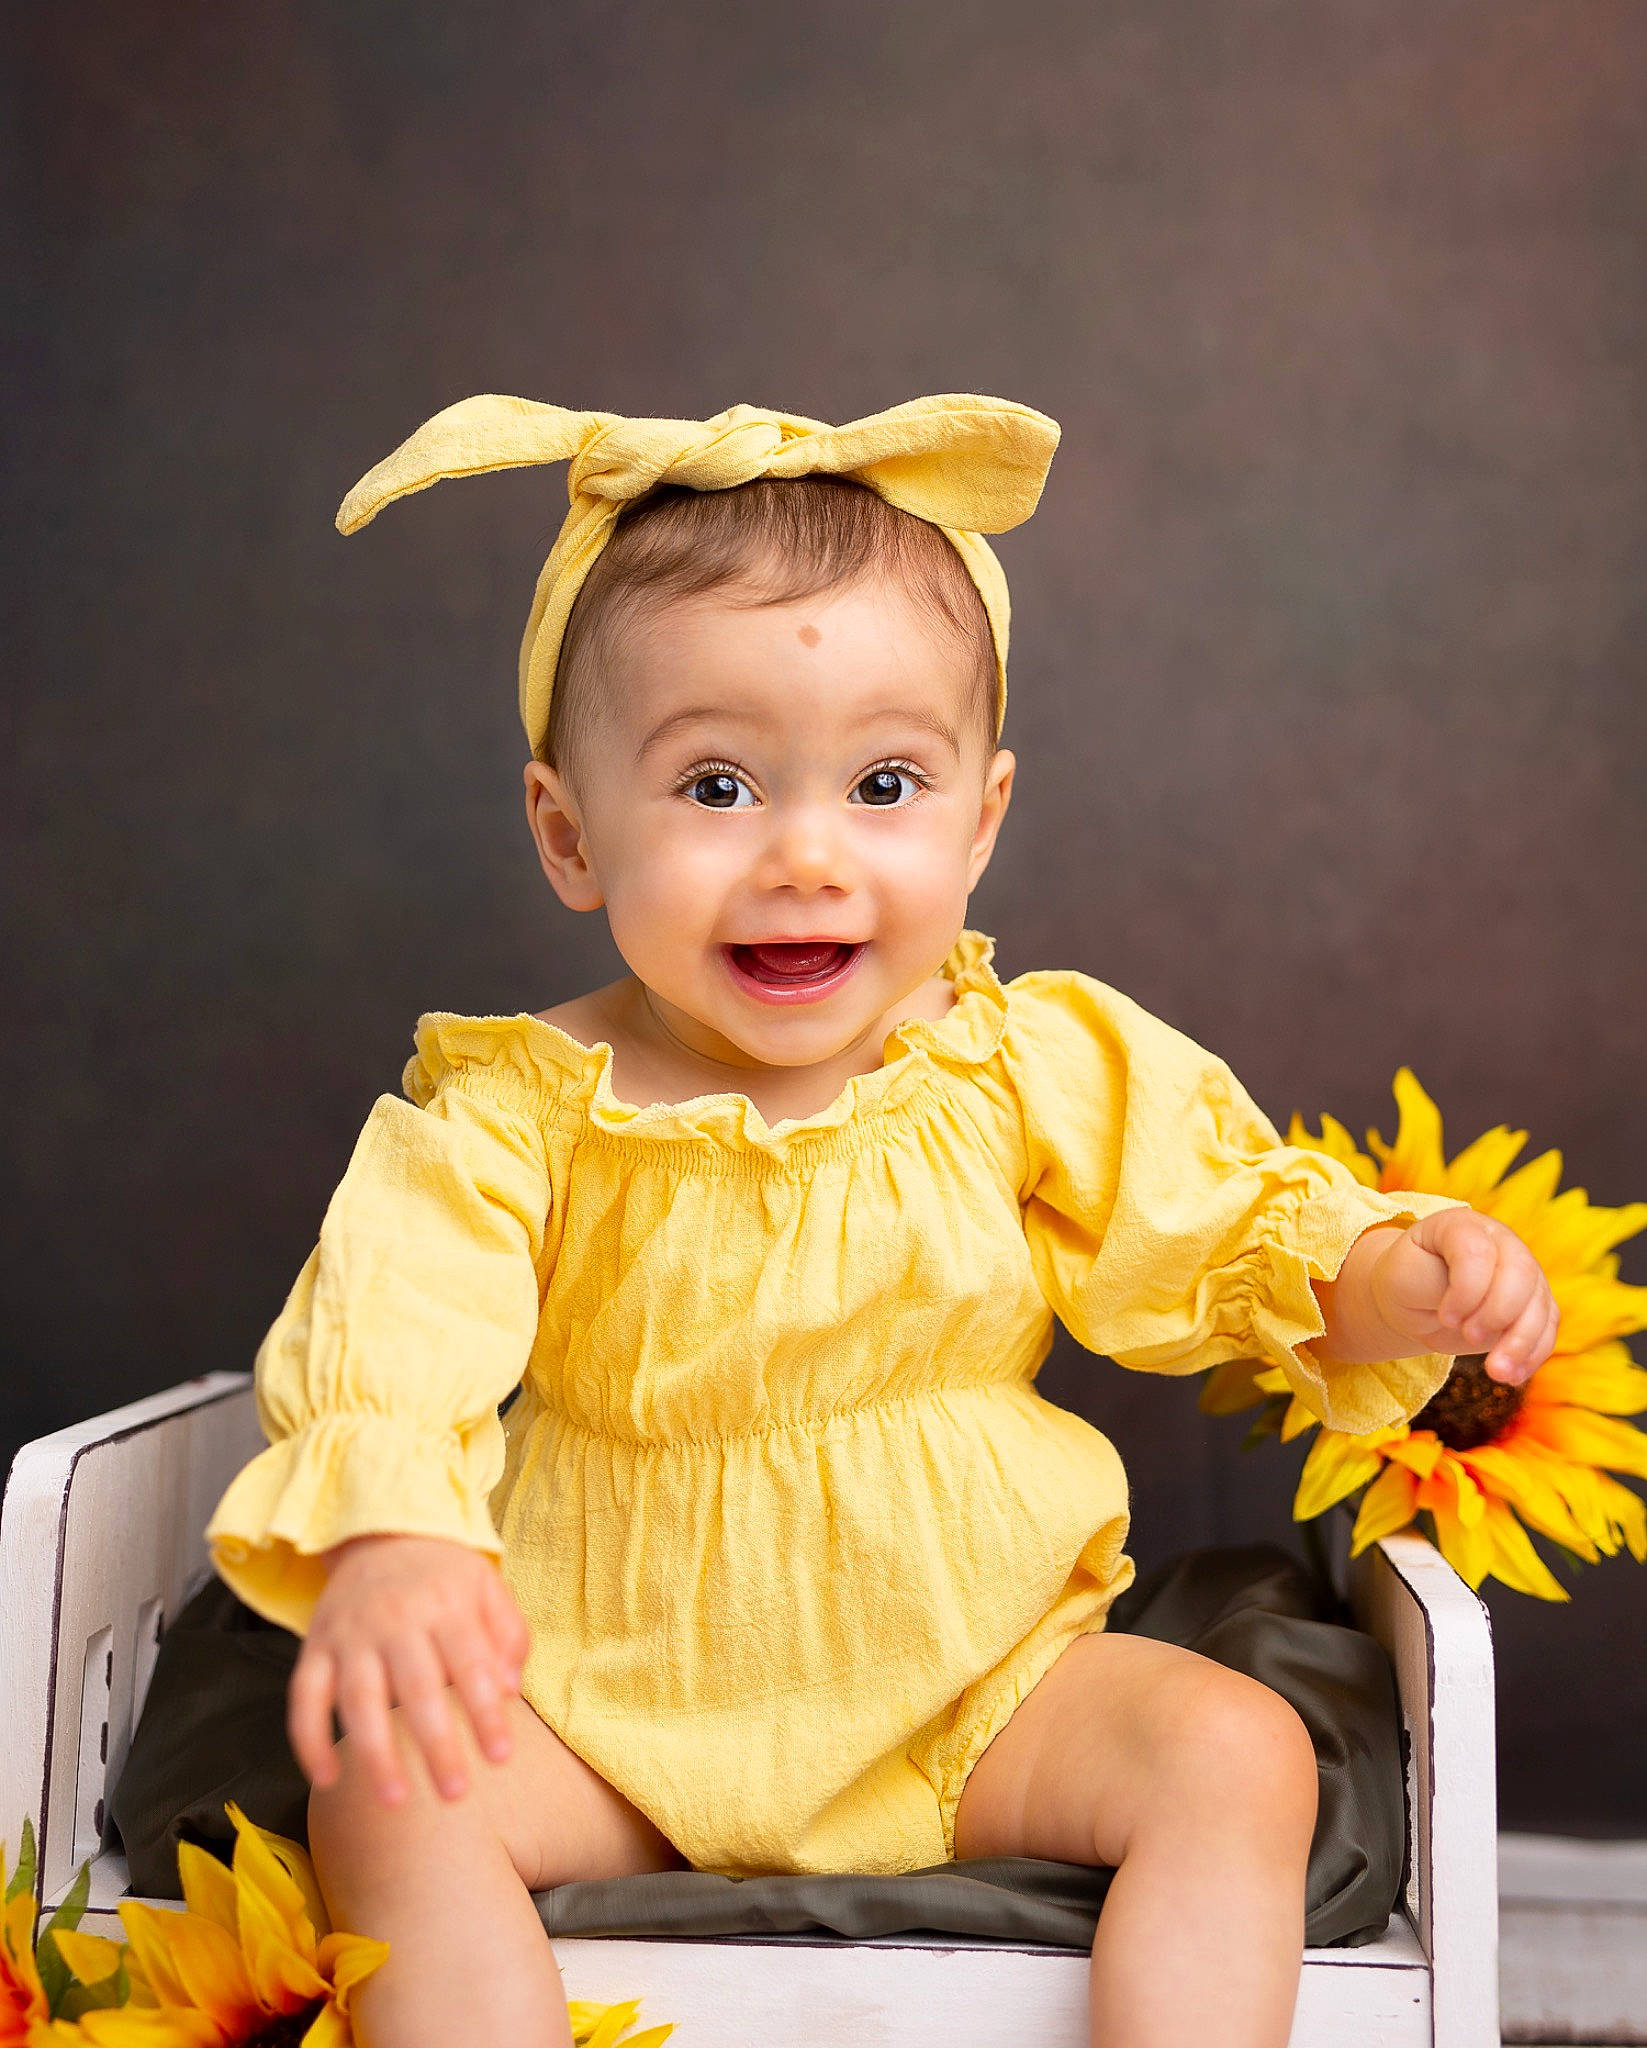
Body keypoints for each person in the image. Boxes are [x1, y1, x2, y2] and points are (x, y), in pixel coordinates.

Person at [205, 393, 1557, 2048]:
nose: (805, 857)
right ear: (570, 834)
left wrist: (1388, 1277)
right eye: (714, 784)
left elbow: (1214, 1238)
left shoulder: (1022, 1063)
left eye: (885, 782)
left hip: (973, 1684)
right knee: (385, 1800)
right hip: (606, 1691)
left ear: (981, 820)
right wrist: (397, 1537)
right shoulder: (511, 1111)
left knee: (1239, 1753)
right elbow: (396, 1324)